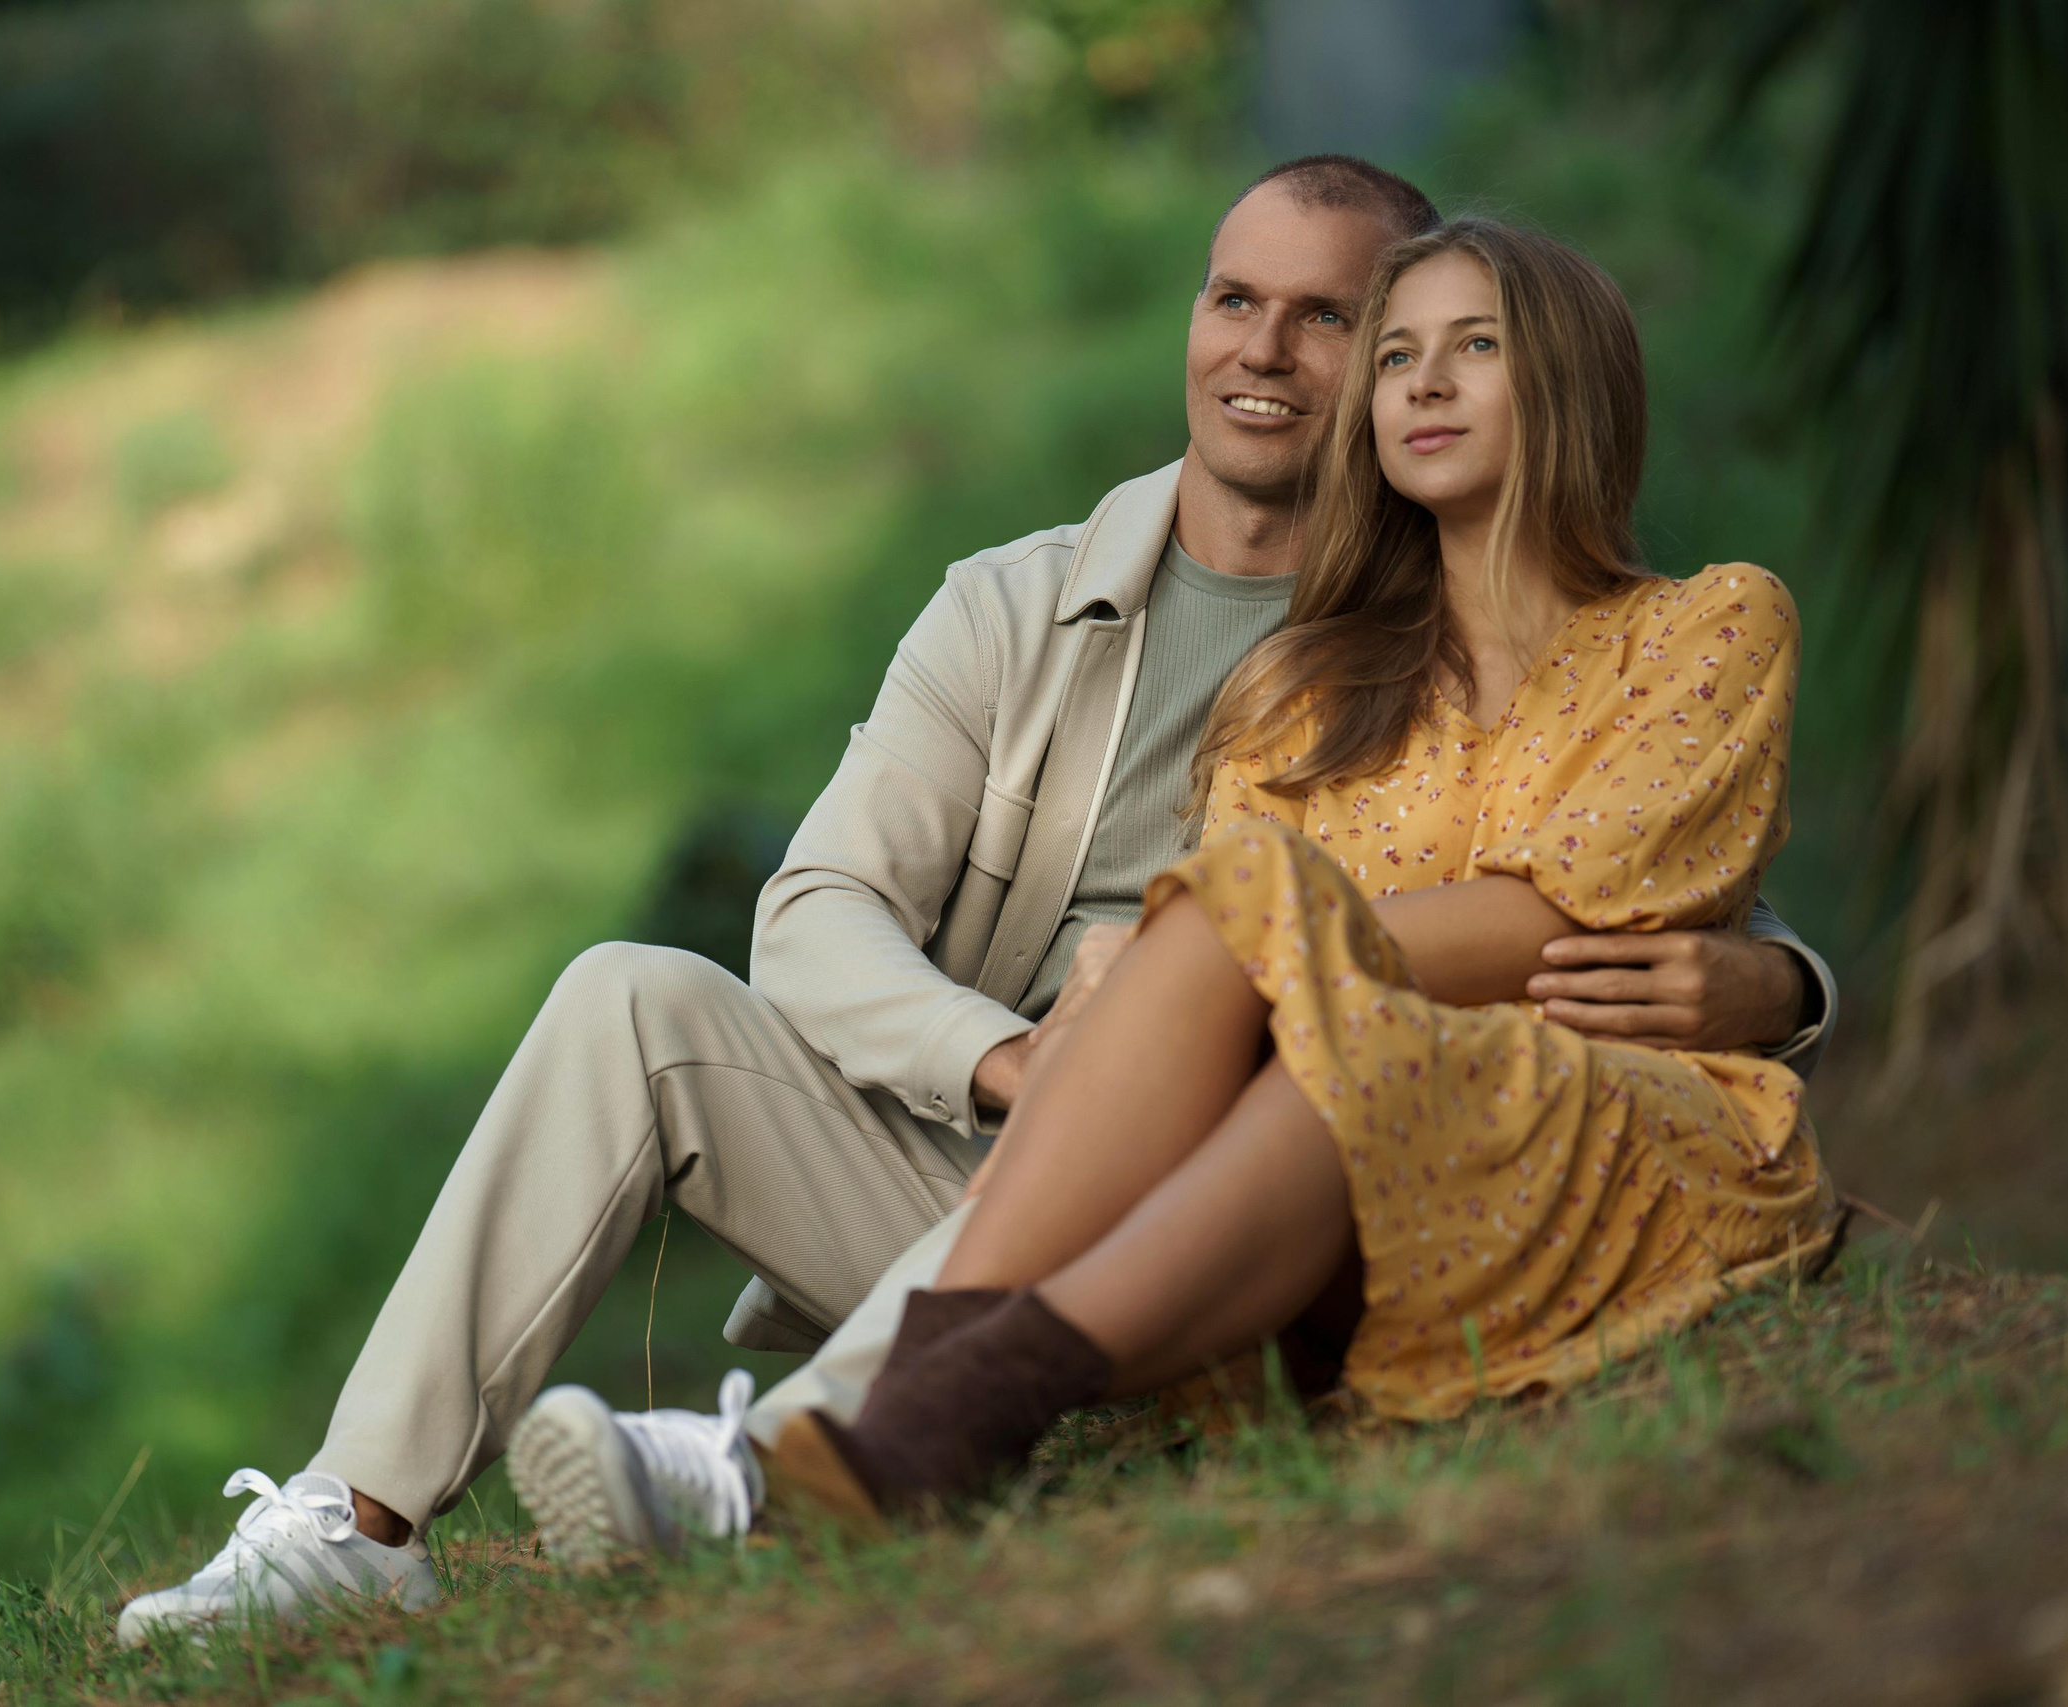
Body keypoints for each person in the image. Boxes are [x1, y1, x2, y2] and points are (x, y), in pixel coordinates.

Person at [116, 162, 1835, 1643]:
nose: (1267, 351)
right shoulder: (1031, 612)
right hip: (993, 1133)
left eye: (1334, 321)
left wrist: (1780, 984)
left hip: (1268, 1144)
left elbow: (1602, 874)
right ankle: (356, 1523)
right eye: (1238, 301)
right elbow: (816, 911)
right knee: (626, 994)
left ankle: (809, 1454)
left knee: (1247, 962)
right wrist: (1013, 1064)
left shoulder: (1440, 631)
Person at [757, 217, 1841, 1524]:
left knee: (1274, 959)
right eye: (1394, 357)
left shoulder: (1704, 628)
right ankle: (932, 1407)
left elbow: (1569, 909)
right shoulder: (1301, 697)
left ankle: (936, 1406)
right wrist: (1239, 958)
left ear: (1572, 378)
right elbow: (1232, 1008)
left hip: (1604, 1123)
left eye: (1475, 347)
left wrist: (1273, 938)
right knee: (1321, 1030)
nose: (1424, 383)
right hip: (1331, 1164)